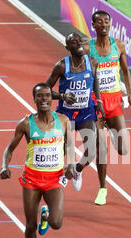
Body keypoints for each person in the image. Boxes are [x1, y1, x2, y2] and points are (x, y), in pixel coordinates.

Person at [0, 83, 74, 238]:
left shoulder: (64, 121)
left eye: (47, 95)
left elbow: (70, 147)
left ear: (52, 98)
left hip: (54, 178)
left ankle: (47, 215)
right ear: (34, 99)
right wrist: (4, 167)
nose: (44, 100)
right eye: (40, 96)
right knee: (31, 224)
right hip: (32, 179)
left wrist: (71, 165)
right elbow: (9, 149)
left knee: (56, 223)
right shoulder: (25, 123)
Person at [83, 10, 131, 205]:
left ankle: (110, 130)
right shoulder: (87, 48)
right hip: (95, 103)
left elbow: (125, 70)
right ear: (93, 25)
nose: (104, 24)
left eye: (107, 21)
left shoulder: (119, 46)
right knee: (101, 148)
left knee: (122, 149)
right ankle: (102, 188)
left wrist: (129, 95)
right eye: (100, 22)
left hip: (114, 102)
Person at [46, 32, 105, 192]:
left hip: (86, 111)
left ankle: (77, 170)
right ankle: (52, 179)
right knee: (61, 149)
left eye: (79, 40)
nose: (78, 43)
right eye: (73, 42)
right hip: (65, 113)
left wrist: (98, 101)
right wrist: (62, 96)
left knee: (92, 150)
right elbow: (46, 90)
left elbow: (95, 82)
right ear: (67, 47)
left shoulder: (92, 62)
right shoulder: (61, 66)